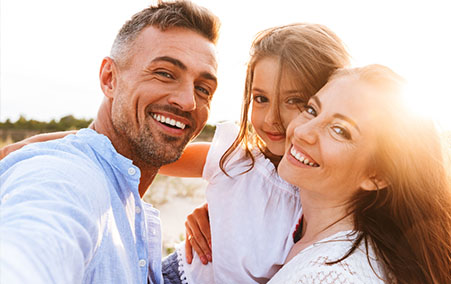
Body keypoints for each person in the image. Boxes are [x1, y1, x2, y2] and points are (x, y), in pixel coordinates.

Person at [0, 1, 220, 283]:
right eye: (165, 73)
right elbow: (30, 250)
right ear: (109, 78)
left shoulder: (126, 199)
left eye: (203, 89)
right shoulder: (68, 179)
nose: (188, 100)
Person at [157, 23, 350, 283]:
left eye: (294, 101)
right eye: (260, 99)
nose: (272, 119)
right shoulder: (235, 158)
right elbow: (151, 157)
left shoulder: (327, 199)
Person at [268, 64, 451, 284]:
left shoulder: (328, 277)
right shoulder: (302, 229)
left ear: (377, 176)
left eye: (340, 130)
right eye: (312, 110)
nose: (301, 132)